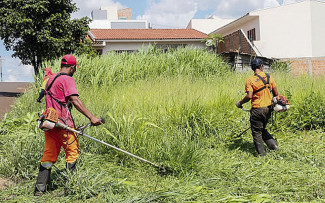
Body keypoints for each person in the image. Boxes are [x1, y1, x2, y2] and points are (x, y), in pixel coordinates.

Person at [34, 55, 102, 196]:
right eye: (74, 68)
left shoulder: (49, 79)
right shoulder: (68, 79)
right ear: (72, 68)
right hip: (64, 125)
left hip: (50, 123)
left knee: (49, 155)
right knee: (72, 153)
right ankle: (70, 189)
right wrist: (92, 117)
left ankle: (39, 191)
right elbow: (75, 100)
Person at [235, 58, 279, 156]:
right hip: (268, 109)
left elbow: (249, 96)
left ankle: (262, 155)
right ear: (261, 66)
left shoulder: (250, 80)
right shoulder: (269, 77)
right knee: (262, 129)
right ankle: (273, 146)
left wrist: (240, 103)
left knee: (256, 132)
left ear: (252, 68)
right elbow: (276, 94)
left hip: (257, 109)